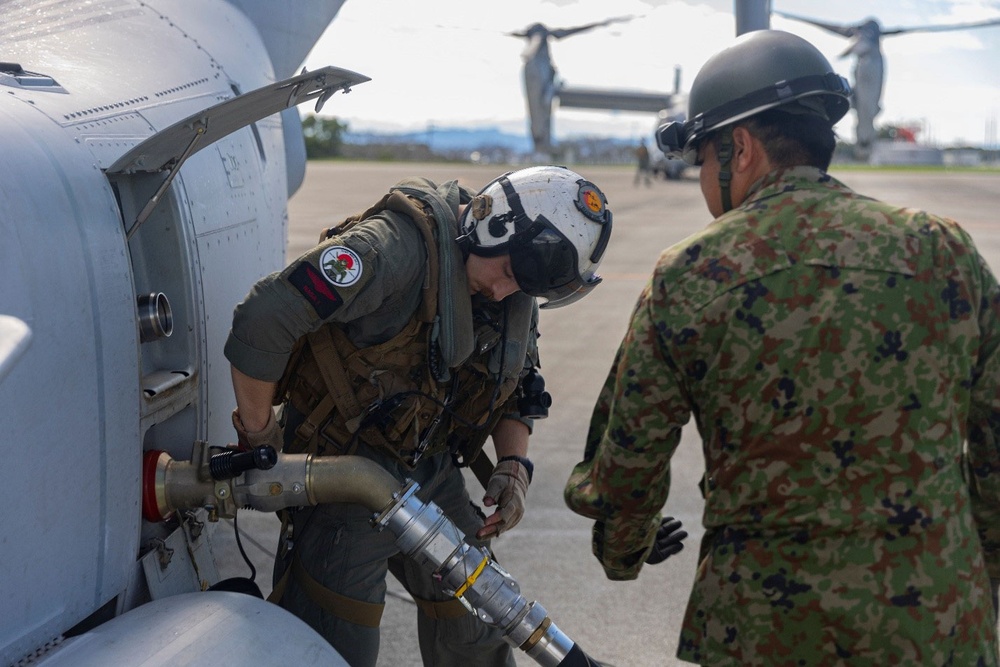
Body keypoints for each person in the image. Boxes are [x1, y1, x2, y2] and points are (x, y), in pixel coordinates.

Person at [563, 29, 1000, 666]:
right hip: (937, 622)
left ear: (737, 149)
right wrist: (977, 572)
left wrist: (622, 549)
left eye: (698, 162)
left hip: (763, 628)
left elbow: (628, 461)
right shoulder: (942, 249)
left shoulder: (691, 272)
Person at [224, 165, 612, 667]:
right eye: (509, 274)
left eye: (522, 287)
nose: (503, 293)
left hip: (428, 464)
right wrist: (262, 441)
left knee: (479, 622)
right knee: (334, 647)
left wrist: (514, 465)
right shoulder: (394, 249)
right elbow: (264, 317)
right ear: (493, 226)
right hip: (344, 470)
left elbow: (518, 385)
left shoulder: (514, 286)